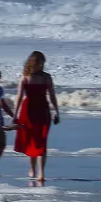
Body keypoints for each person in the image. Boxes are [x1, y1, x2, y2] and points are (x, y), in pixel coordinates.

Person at [13, 50, 60, 185]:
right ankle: (32, 169)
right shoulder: (24, 77)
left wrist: (56, 111)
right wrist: (15, 115)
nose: (41, 66)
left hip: (43, 111)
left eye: (42, 64)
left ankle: (41, 172)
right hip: (28, 112)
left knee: (42, 141)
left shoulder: (47, 77)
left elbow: (52, 95)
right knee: (31, 141)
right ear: (32, 63)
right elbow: (19, 97)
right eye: (39, 63)